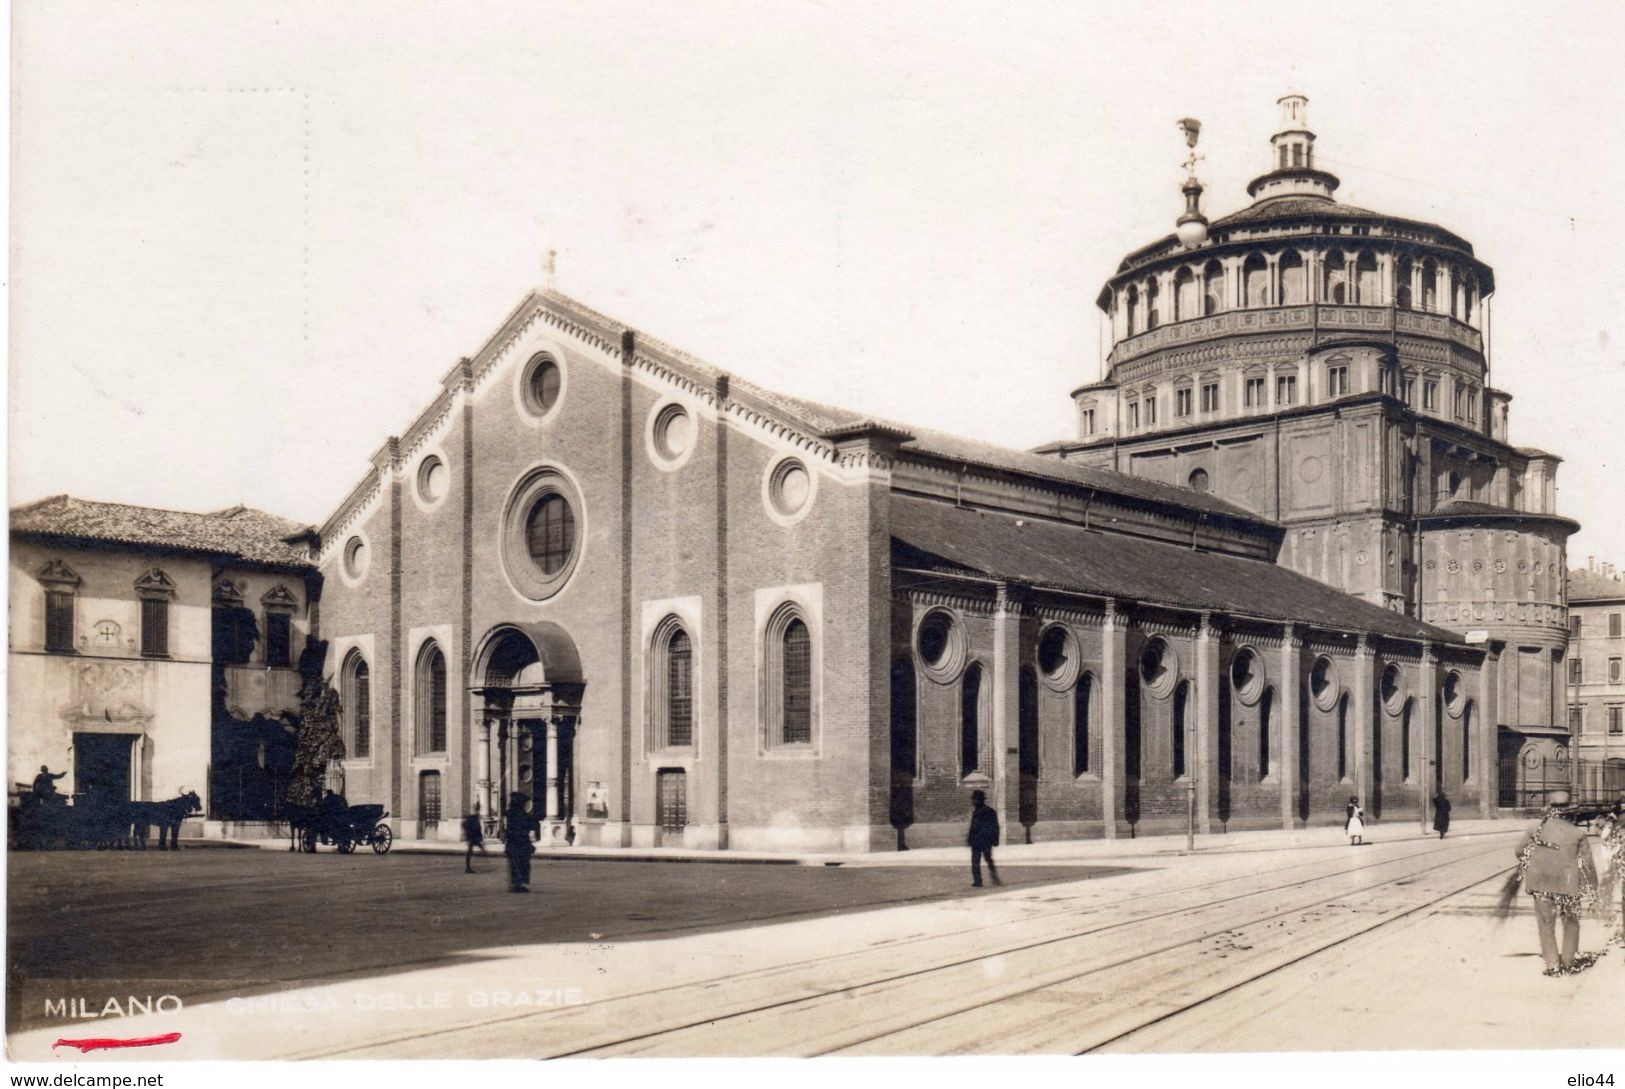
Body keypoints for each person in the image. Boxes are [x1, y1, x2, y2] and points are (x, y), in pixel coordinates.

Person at [1515, 790, 1598, 977]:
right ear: (1569, 811)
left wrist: (1536, 861)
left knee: (1546, 924)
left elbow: (1520, 851)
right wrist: (1593, 890)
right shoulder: (1577, 833)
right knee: (1571, 922)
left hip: (1541, 884)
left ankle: (1553, 965)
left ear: (1549, 808)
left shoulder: (1534, 828)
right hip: (1568, 885)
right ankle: (1569, 962)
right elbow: (1587, 866)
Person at [504, 791, 540, 893]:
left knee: (515, 864)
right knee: (522, 864)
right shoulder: (520, 814)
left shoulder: (510, 813)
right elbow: (528, 825)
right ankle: (520, 885)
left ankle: (516, 884)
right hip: (520, 843)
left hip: (512, 843)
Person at [967, 790, 1002, 888]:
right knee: (978, 861)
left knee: (982, 860)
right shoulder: (983, 811)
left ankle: (986, 878)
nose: (973, 802)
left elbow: (995, 826)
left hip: (984, 840)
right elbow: (973, 827)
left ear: (980, 800)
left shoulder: (987, 811)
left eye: (975, 800)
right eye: (974, 800)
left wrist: (995, 840)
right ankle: (979, 881)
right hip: (980, 841)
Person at [463, 802, 488, 874]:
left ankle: (468, 867)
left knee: (471, 851)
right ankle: (468, 867)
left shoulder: (475, 816)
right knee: (471, 851)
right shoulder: (473, 816)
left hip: (473, 836)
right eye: (478, 808)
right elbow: (467, 825)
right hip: (473, 836)